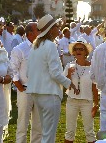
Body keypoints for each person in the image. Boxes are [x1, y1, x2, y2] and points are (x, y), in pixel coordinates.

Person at [26, 14, 78, 143]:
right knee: (48, 136)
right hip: (49, 94)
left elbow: (29, 72)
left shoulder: (35, 46)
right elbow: (55, 73)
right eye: (56, 26)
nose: (59, 28)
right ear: (50, 29)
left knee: (45, 133)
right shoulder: (50, 45)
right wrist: (69, 83)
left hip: (37, 94)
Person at [10, 22, 42, 143]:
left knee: (38, 126)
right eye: (37, 30)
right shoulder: (19, 49)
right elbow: (13, 68)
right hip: (25, 89)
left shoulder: (41, 47)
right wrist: (19, 85)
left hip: (39, 90)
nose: (40, 32)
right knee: (22, 124)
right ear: (30, 33)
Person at [64, 37, 98, 143]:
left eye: (81, 49)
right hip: (72, 101)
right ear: (73, 52)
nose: (78, 51)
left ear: (86, 52)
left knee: (89, 132)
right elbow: (67, 86)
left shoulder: (92, 67)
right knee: (69, 131)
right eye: (76, 49)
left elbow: (95, 86)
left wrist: (96, 103)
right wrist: (69, 74)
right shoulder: (69, 66)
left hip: (87, 101)